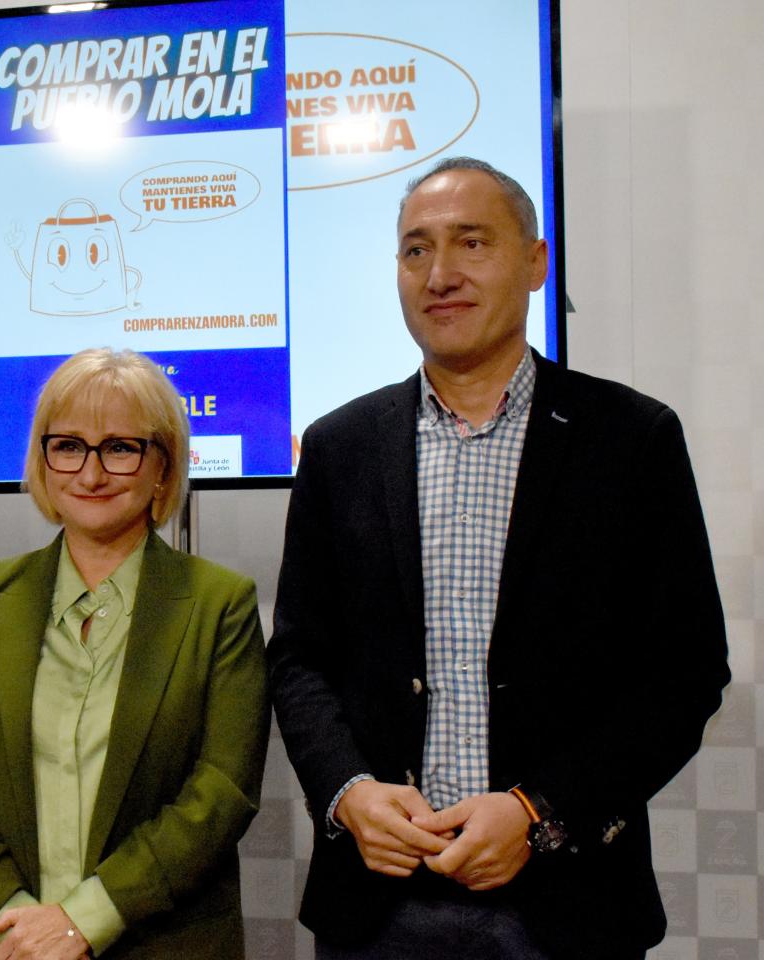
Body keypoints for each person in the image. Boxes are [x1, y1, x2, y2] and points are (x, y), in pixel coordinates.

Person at [268, 157, 730, 959]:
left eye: (471, 243)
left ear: (534, 262)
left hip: (566, 902)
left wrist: (539, 811)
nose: (439, 273)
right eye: (416, 250)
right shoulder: (339, 447)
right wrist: (346, 794)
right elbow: (301, 657)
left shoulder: (630, 440)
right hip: (377, 906)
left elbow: (684, 673)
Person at [0, 348, 270, 959]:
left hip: (158, 941)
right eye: (69, 445)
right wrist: (17, 921)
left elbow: (220, 794)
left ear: (162, 468)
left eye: (120, 448)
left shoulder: (220, 605)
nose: (92, 473)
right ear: (43, 461)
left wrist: (84, 920)